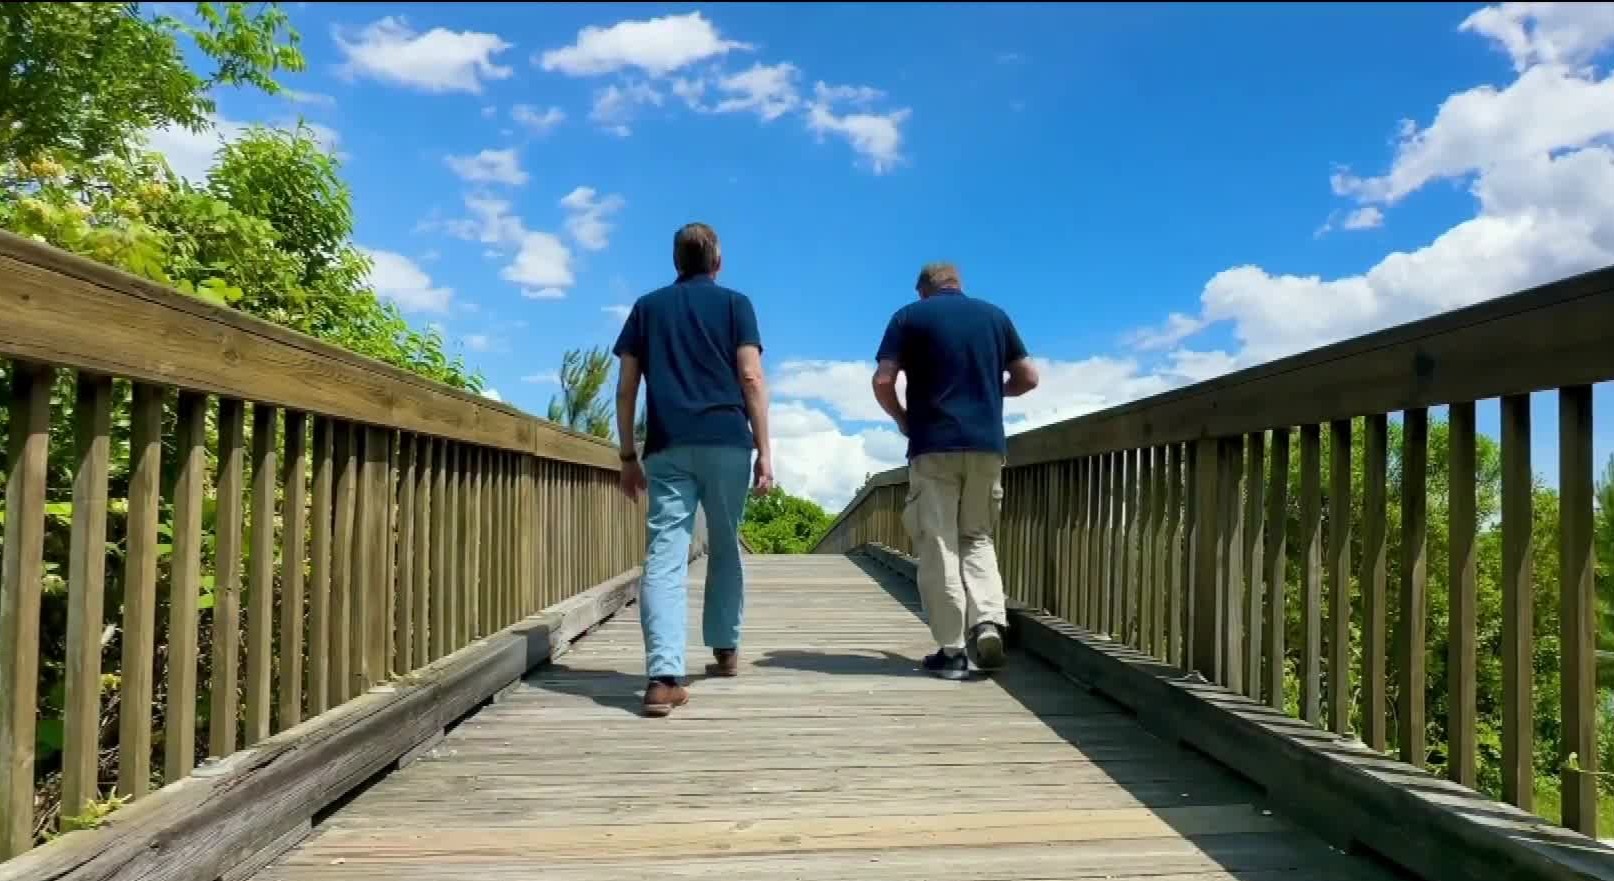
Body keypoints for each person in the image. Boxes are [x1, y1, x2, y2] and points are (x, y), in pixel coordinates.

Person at [612, 222, 773, 717]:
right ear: (717, 262)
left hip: (669, 445)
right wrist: (765, 451)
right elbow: (751, 376)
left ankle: (663, 678)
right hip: (727, 441)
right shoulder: (736, 305)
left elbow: (626, 386)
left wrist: (627, 455)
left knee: (664, 555)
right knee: (725, 543)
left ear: (676, 262)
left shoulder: (647, 308)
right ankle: (725, 648)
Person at [871, 262, 1038, 680]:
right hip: (986, 446)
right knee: (977, 537)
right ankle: (988, 621)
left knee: (939, 543)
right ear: (958, 283)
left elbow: (883, 381)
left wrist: (903, 419)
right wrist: (990, 388)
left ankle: (952, 650)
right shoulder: (995, 316)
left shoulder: (908, 317)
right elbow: (1029, 378)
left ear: (923, 289)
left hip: (933, 445)